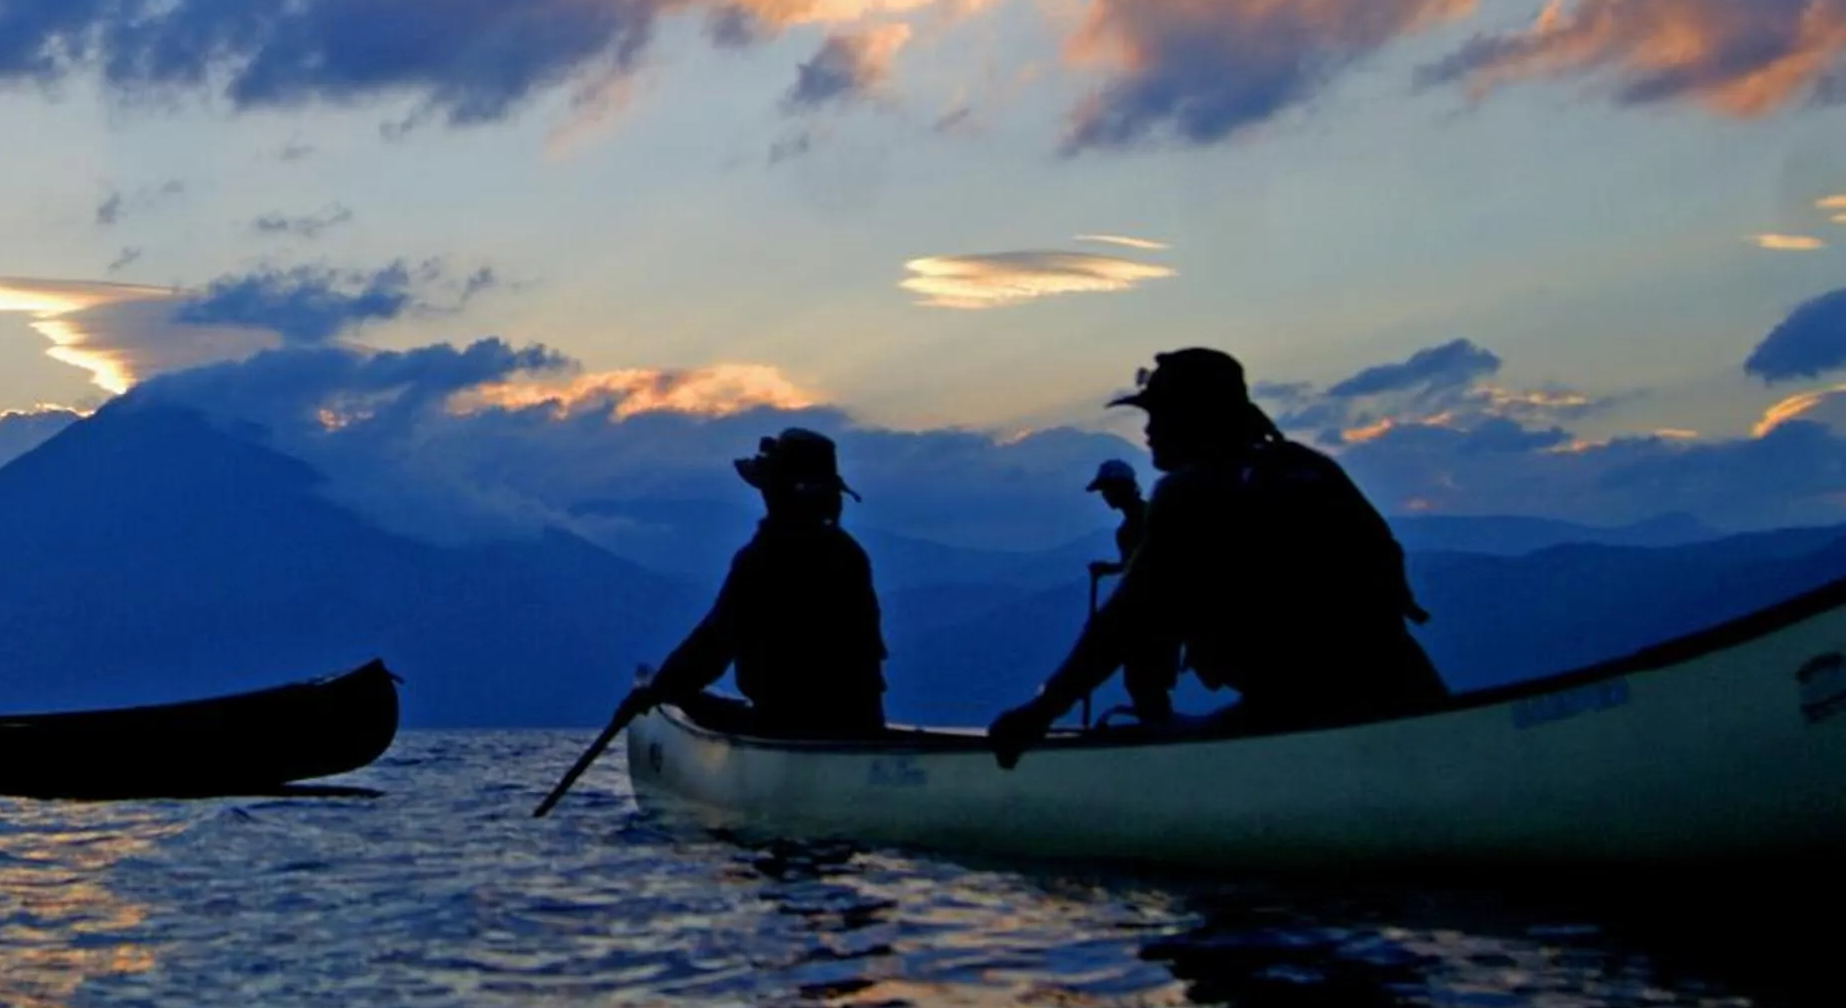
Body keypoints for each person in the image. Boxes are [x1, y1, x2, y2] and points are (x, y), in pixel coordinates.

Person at [988, 349, 1444, 767]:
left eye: (1159, 415)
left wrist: (1040, 712)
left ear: (1196, 418)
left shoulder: (1193, 492)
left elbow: (1127, 618)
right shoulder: (1310, 468)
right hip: (1406, 687)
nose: (1147, 431)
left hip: (1307, 708)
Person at [614, 427, 886, 735]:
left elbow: (714, 644)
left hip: (785, 727)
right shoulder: (850, 556)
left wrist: (655, 693)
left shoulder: (764, 559)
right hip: (861, 725)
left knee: (682, 697)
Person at [1087, 456, 1147, 586]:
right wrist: (1109, 568)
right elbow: (1133, 568)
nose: (1104, 495)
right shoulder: (1125, 532)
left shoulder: (1155, 517)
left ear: (1124, 487)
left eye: (1108, 488)